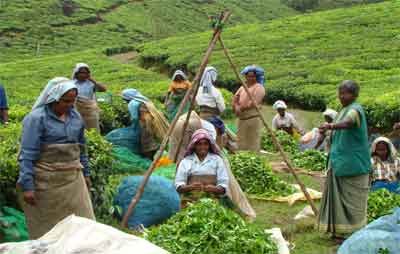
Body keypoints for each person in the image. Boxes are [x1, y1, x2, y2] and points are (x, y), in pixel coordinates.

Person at [18, 78, 95, 239]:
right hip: (46, 182)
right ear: (54, 98)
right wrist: (28, 186)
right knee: (49, 231)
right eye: (65, 101)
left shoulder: (75, 118)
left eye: (72, 101)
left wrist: (86, 173)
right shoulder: (36, 119)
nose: (69, 105)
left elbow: (81, 147)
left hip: (73, 179)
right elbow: (27, 155)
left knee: (83, 224)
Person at [317, 80, 371, 242]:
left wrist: (330, 126)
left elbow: (348, 123)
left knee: (353, 200)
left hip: (353, 163)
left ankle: (353, 232)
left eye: (345, 93)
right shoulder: (343, 110)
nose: (341, 96)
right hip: (339, 161)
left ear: (354, 95)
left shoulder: (355, 109)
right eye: (340, 92)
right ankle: (339, 231)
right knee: (339, 198)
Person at [175, 129, 229, 208]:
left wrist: (214, 189)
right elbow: (178, 186)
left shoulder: (217, 160)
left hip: (212, 202)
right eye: (199, 144)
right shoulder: (186, 161)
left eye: (205, 144)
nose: (202, 147)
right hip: (189, 202)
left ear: (209, 145)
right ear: (194, 145)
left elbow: (223, 186)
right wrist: (191, 187)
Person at [121, 89, 169, 160]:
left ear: (128, 97)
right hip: (154, 118)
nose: (124, 101)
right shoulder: (142, 99)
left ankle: (149, 158)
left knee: (146, 140)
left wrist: (133, 127)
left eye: (124, 99)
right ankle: (157, 154)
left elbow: (134, 118)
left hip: (146, 121)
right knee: (155, 137)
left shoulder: (132, 103)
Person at [232, 69, 265, 152]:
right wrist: (236, 107)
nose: (250, 78)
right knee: (241, 142)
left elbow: (253, 103)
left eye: (253, 76)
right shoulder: (242, 87)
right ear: (245, 77)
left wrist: (241, 108)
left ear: (256, 77)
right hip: (242, 119)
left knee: (252, 143)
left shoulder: (259, 87)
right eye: (248, 76)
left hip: (252, 118)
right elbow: (235, 98)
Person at [72, 63, 107, 131]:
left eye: (86, 73)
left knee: (93, 129)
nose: (83, 74)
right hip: (77, 111)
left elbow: (103, 89)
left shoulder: (91, 84)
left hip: (90, 111)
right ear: (76, 73)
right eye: (81, 72)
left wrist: (92, 79)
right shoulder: (72, 84)